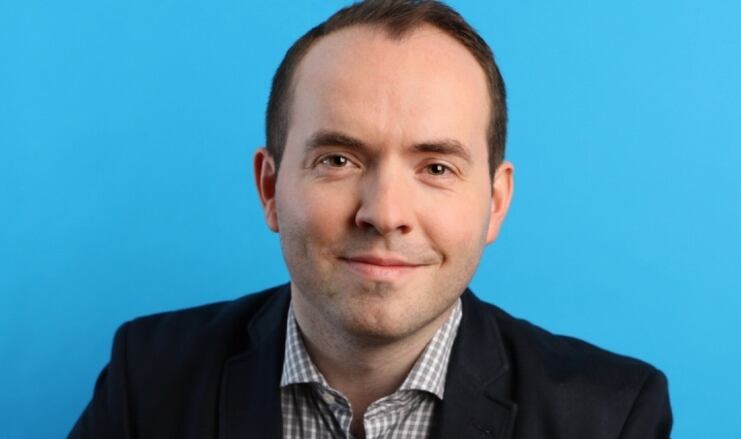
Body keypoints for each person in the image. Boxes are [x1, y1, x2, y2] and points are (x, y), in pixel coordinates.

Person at [69, 1, 673, 438]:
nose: (384, 213)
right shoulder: (147, 378)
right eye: (338, 159)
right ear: (271, 187)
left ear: (494, 203)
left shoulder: (609, 416)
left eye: (436, 167)